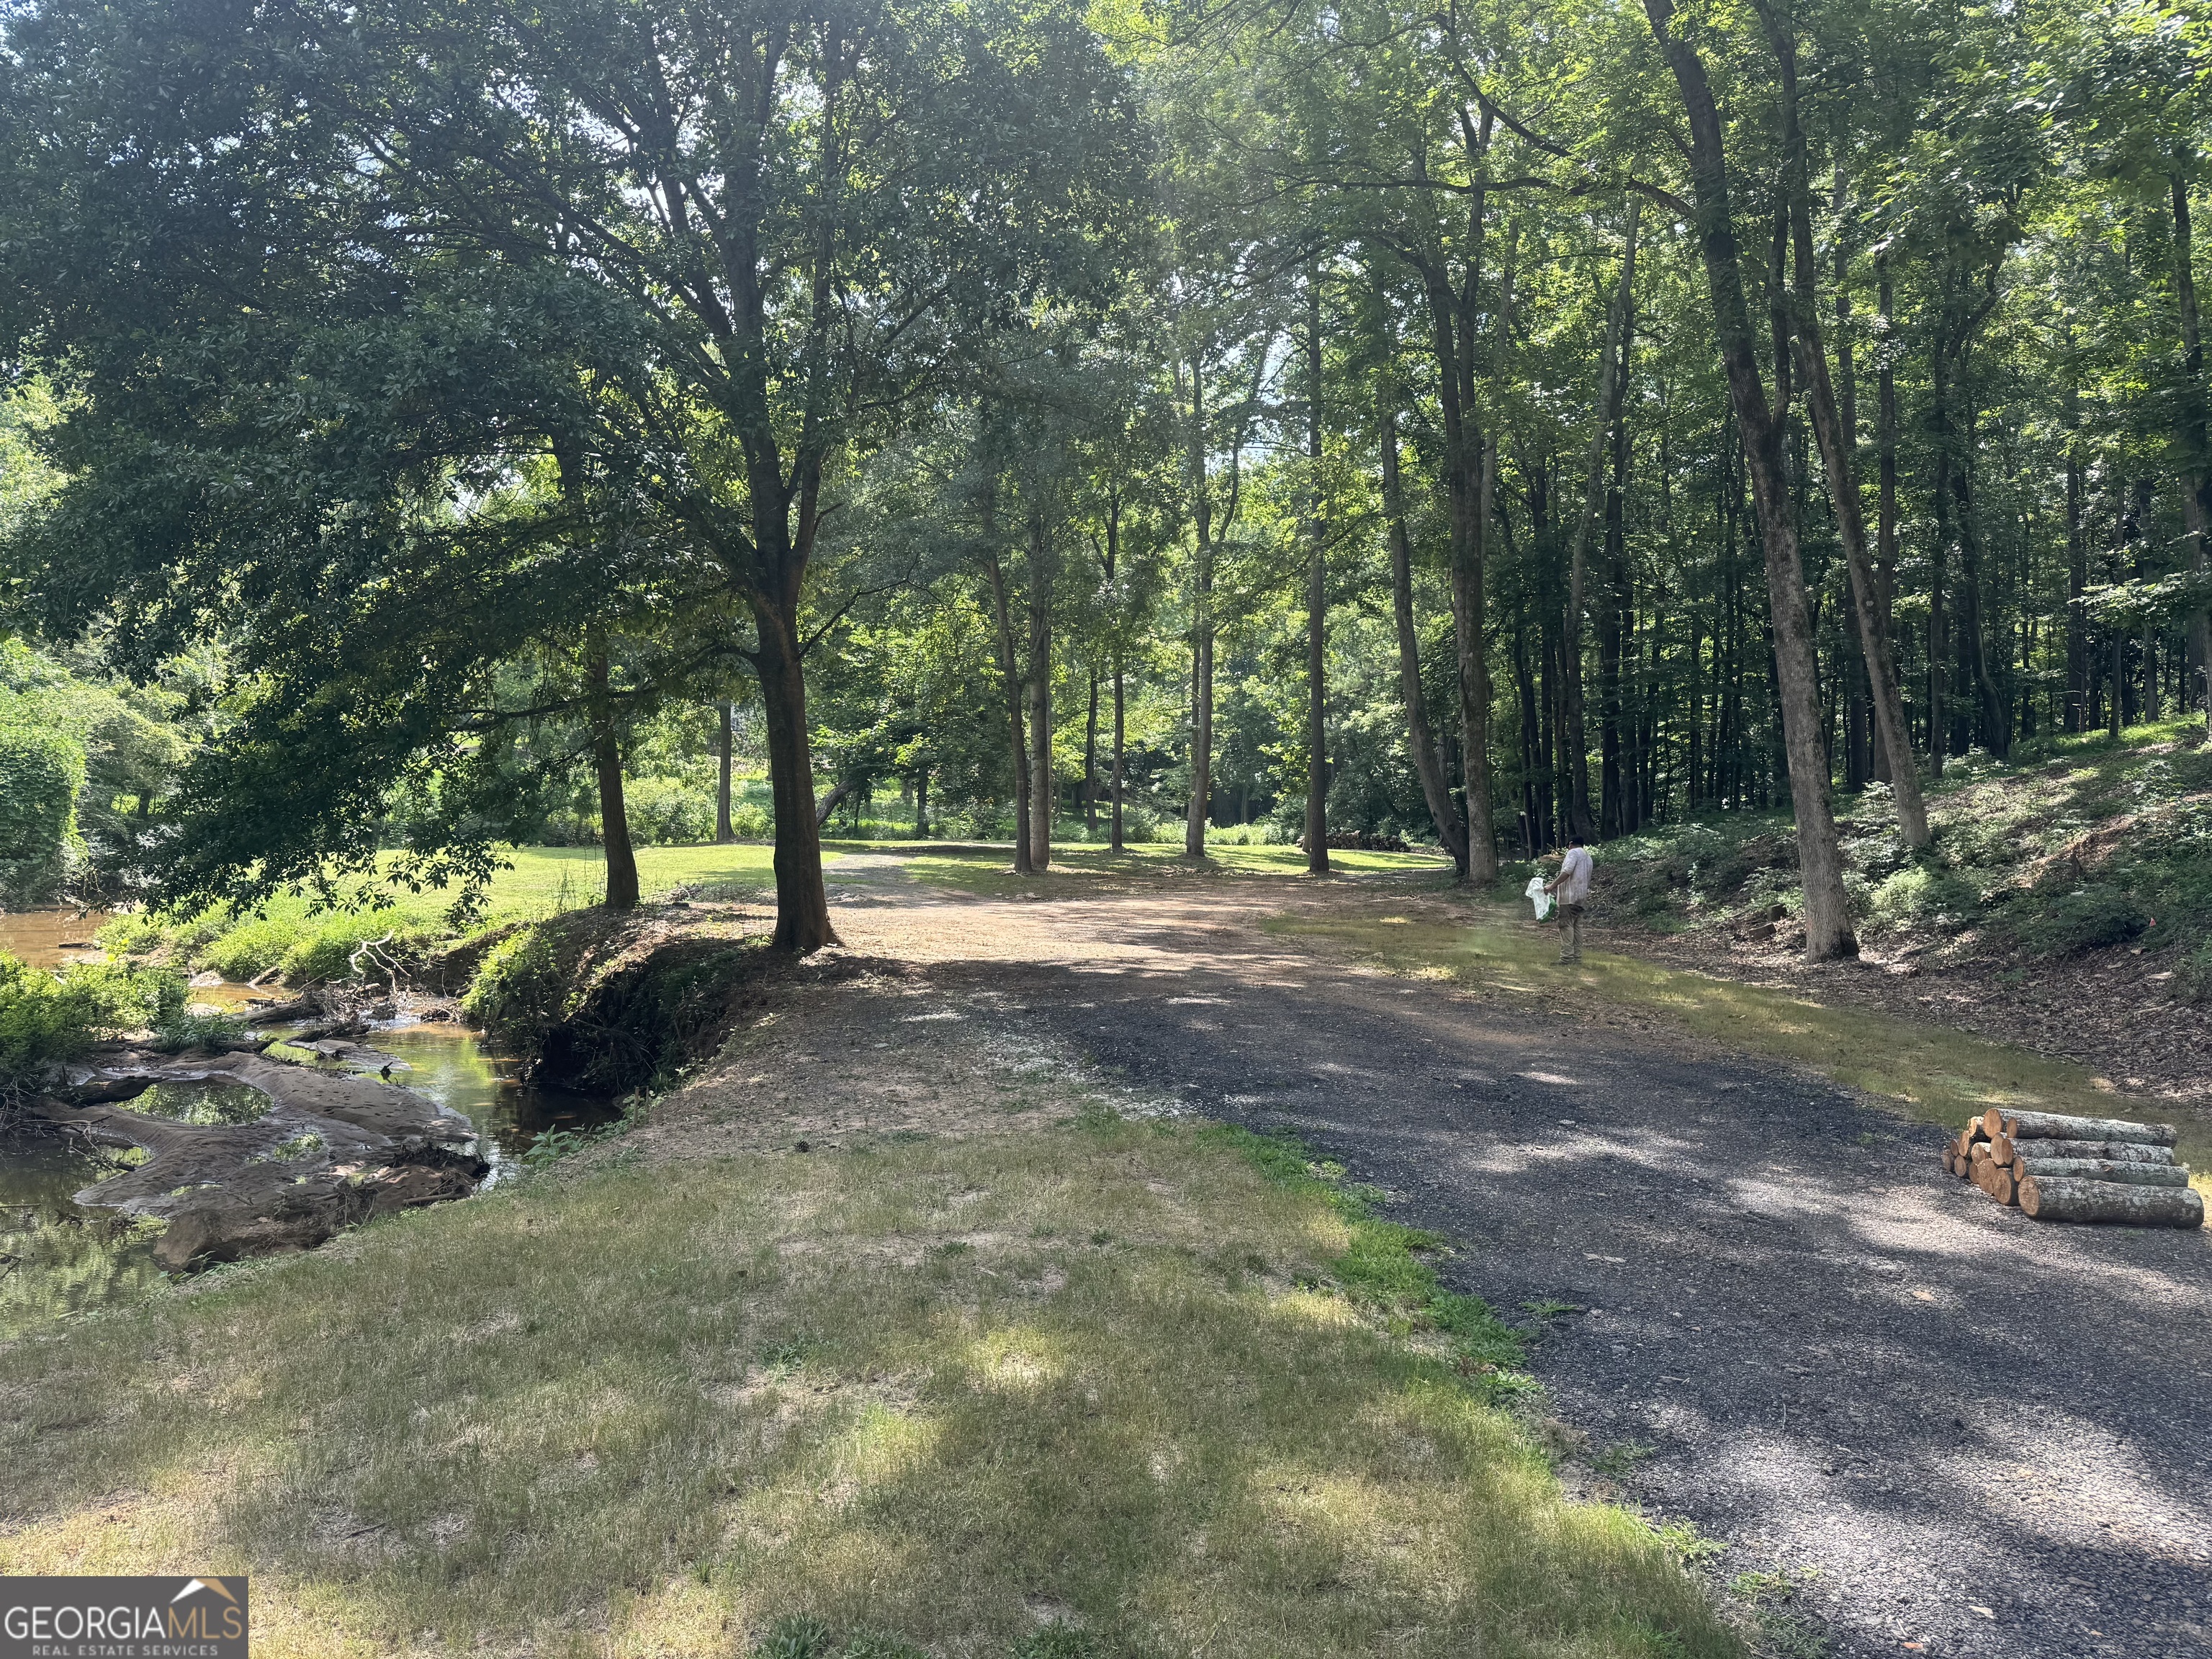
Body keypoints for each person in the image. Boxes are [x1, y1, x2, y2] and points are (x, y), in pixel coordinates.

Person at [1544, 835, 1593, 963]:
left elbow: (1567, 871)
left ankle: (1566, 958)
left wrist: (1552, 886)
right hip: (1581, 896)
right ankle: (1577, 958)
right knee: (1577, 927)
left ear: (1571, 844)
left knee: (1565, 925)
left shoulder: (1573, 853)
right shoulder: (1588, 857)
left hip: (1569, 896)